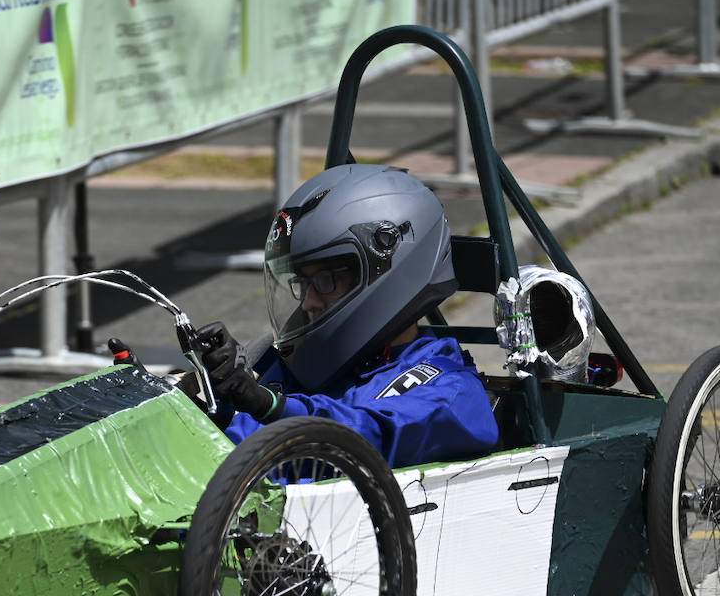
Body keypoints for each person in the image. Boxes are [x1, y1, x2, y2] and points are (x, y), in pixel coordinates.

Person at [196, 163, 499, 469]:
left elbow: (362, 436)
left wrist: (269, 406)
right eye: (303, 284)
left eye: (327, 280)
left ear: (385, 270)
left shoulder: (451, 395)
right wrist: (214, 400)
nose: (309, 302)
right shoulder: (298, 368)